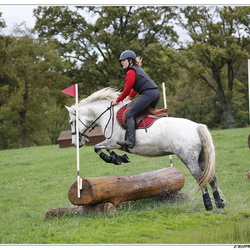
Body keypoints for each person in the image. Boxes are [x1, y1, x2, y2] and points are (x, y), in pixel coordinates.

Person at [112, 50, 160, 149]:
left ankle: (131, 142)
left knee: (130, 114)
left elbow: (127, 89)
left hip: (149, 94)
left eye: (123, 60)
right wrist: (129, 97)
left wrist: (118, 100)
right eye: (121, 61)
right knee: (142, 115)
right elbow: (136, 87)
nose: (121, 62)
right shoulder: (136, 69)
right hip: (155, 94)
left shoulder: (131, 71)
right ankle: (147, 137)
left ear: (130, 60)